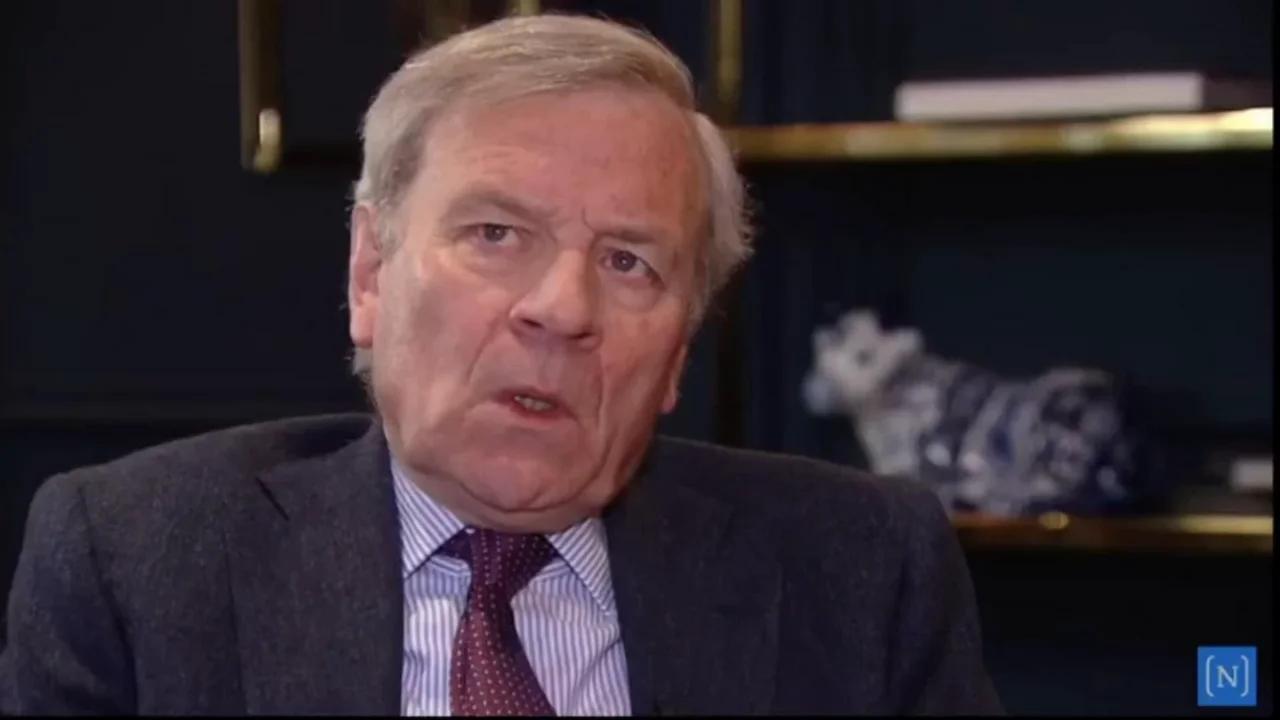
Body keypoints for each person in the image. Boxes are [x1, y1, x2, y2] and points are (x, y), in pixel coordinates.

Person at [0, 13, 1002, 716]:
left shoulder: (862, 572)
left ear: (678, 351)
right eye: (495, 233)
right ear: (370, 273)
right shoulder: (138, 561)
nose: (561, 310)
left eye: (629, 262)